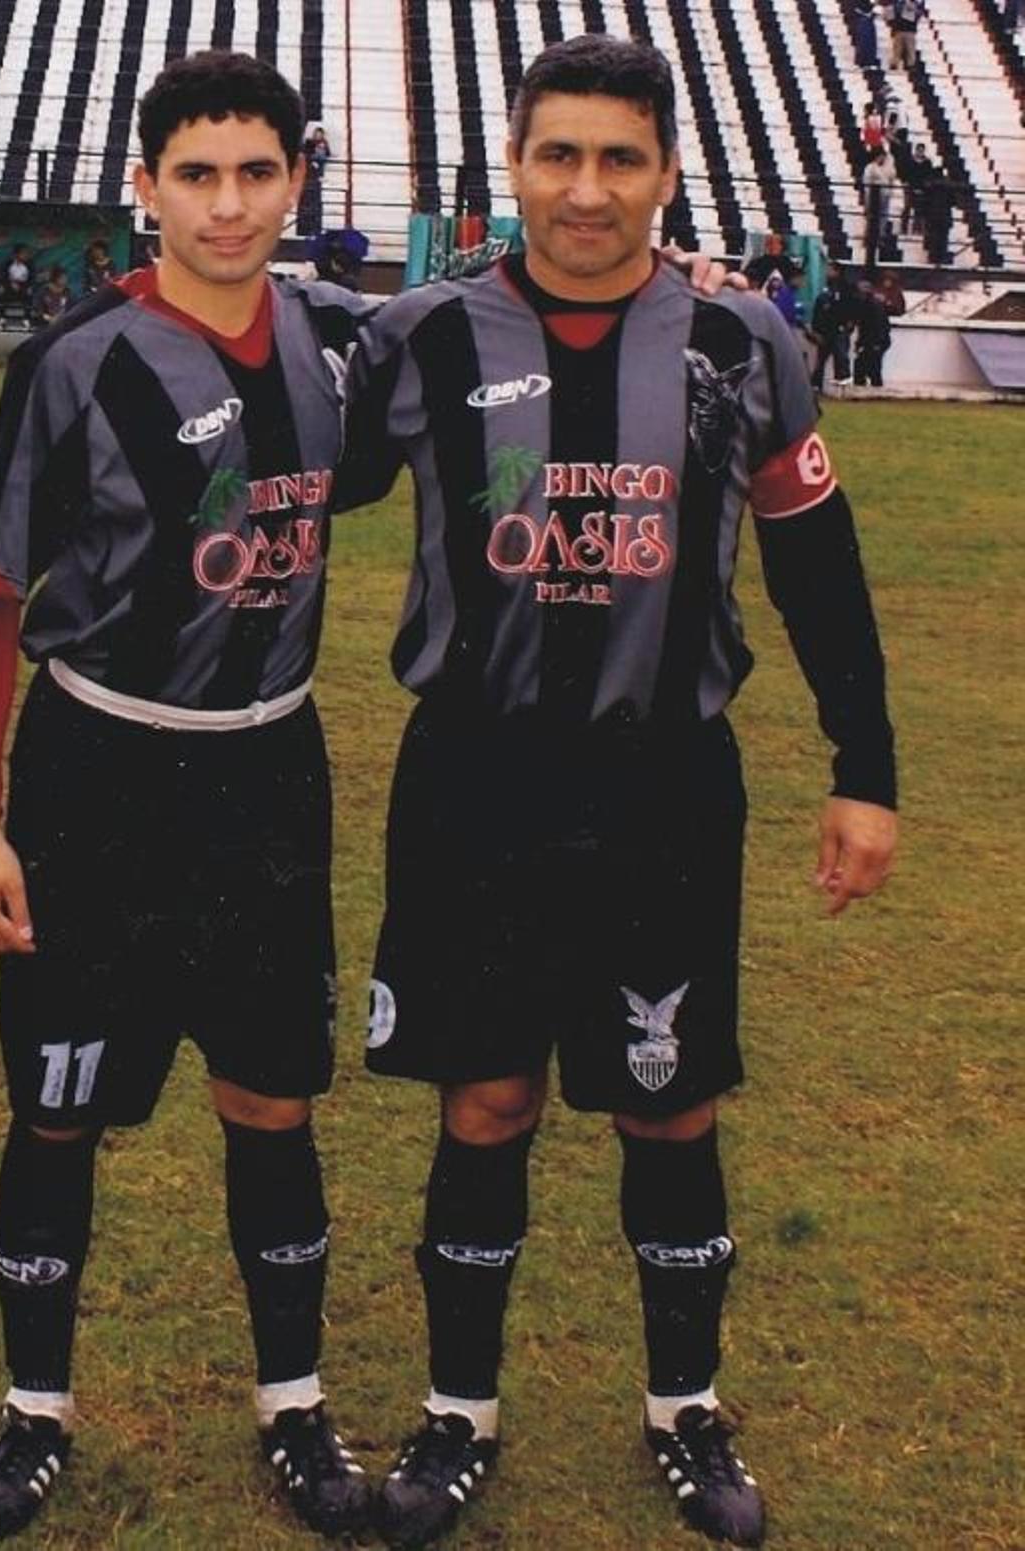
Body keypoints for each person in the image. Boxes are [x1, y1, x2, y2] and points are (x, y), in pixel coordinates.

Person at [339, 34, 896, 1549]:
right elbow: (288, 488)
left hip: (665, 781)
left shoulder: (742, 343)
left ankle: (685, 1409)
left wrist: (866, 771)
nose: (587, 191)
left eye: (620, 159)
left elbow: (819, 567)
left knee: (671, 1099)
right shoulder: (419, 341)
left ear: (665, 173)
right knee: (486, 1095)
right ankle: (459, 1412)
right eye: (560, 155)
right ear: (514, 168)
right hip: (475, 781)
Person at [0, 50, 379, 1542]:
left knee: (272, 1096)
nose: (228, 205)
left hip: (268, 769)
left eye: (257, 173)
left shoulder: (333, 341)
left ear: (297, 182)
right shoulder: (73, 364)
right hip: (99, 773)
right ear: (145, 188)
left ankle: (296, 1407)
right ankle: (34, 1414)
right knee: (59, 1105)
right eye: (196, 175)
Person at [811, 260, 858, 388]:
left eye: (830, 270)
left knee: (840, 356)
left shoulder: (847, 289)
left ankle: (842, 381)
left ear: (837, 272)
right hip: (825, 330)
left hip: (839, 329)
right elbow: (818, 310)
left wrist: (849, 323)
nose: (827, 272)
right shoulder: (825, 289)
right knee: (821, 359)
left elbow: (852, 308)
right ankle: (816, 384)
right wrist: (816, 329)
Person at [862, 147, 896, 272]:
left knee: (883, 218)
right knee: (871, 218)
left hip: (885, 195)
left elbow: (892, 179)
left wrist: (890, 190)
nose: (882, 159)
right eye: (881, 156)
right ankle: (868, 239)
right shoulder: (870, 168)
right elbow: (866, 183)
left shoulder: (888, 168)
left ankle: (881, 237)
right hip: (873, 196)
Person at [0, 245, 34, 322]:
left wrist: (28, 286)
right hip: (9, 285)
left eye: (26, 253)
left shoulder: (29, 264)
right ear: (17, 254)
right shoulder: (8, 263)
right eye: (23, 253)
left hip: (23, 285)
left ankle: (26, 318)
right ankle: (2, 317)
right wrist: (10, 283)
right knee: (2, 291)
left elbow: (32, 277)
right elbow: (3, 276)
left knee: (29, 293)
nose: (26, 255)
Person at [888, 0, 925, 71]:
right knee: (897, 49)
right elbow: (893, 15)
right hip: (898, 30)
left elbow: (918, 14)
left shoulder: (915, 4)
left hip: (910, 30)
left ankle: (910, 65)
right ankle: (894, 64)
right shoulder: (898, 4)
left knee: (910, 49)